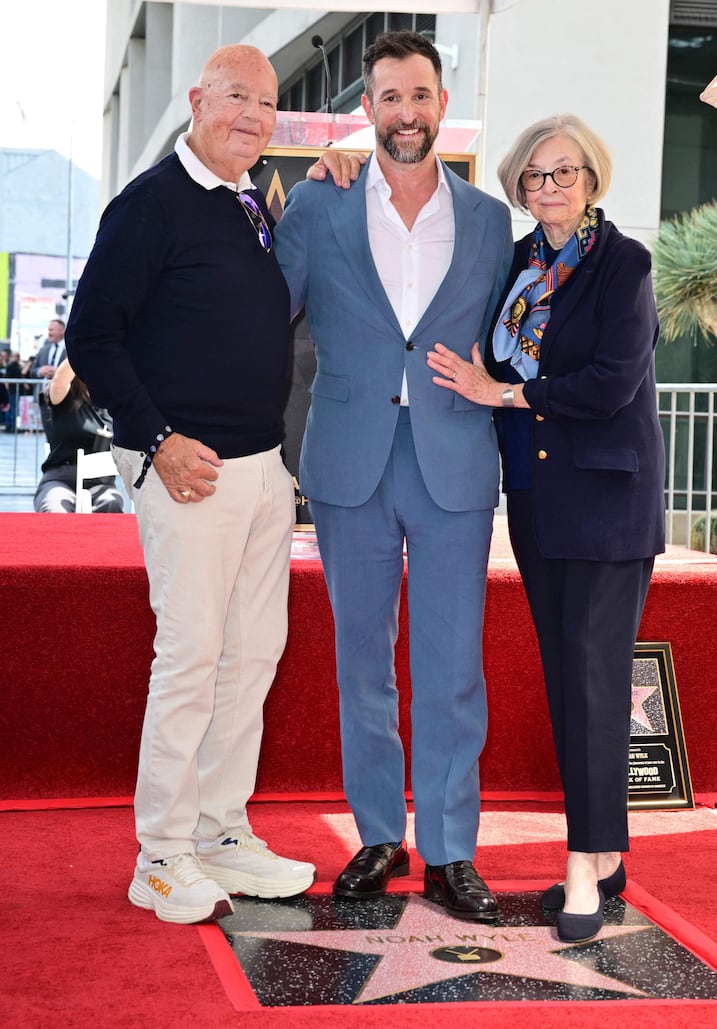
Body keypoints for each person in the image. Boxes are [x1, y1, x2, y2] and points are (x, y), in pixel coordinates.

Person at [65, 44, 319, 925]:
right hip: (188, 473)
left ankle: (218, 833)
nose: (253, 114)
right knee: (192, 660)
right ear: (196, 99)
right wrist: (159, 439)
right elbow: (91, 335)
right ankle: (162, 854)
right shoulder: (150, 205)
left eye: (267, 102)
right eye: (237, 96)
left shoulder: (249, 201)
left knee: (251, 658)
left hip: (258, 471)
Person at [275, 30, 513, 923]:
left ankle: (452, 850)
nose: (406, 114)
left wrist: (517, 392)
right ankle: (380, 833)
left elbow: (523, 331)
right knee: (361, 660)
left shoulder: (491, 220)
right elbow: (262, 306)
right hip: (350, 460)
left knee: (453, 667)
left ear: (441, 106)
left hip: (454, 460)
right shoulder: (318, 204)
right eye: (390, 98)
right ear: (365, 109)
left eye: (420, 96)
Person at [426, 114, 666, 943]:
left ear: (593, 177)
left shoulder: (624, 264)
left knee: (596, 686)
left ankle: (581, 861)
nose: (550, 188)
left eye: (564, 173)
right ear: (518, 188)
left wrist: (500, 393)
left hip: (606, 505)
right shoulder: (523, 265)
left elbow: (606, 385)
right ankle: (605, 850)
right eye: (534, 177)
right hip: (534, 499)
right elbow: (503, 358)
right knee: (572, 683)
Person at [33, 358, 123, 513]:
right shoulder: (64, 398)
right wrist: (82, 344)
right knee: (55, 509)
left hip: (101, 481)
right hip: (60, 478)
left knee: (112, 504)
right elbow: (59, 381)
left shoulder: (114, 404)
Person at [29, 319, 67, 440]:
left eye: (52, 330)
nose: (49, 333)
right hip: (45, 400)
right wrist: (41, 371)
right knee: (49, 436)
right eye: (48, 330)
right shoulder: (44, 349)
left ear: (61, 331)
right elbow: (32, 371)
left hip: (65, 399)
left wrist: (59, 373)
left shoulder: (70, 349)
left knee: (63, 436)